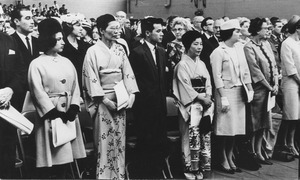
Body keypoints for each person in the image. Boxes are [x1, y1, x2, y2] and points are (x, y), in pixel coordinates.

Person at [27, 18, 86, 178]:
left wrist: (74, 107)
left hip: (69, 114)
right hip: (50, 117)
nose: (63, 42)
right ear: (49, 40)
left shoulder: (67, 61)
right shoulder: (37, 64)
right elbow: (37, 92)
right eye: (59, 39)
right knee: (53, 160)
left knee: (68, 161)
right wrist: (53, 113)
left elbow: (75, 87)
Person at [82, 14, 138, 179]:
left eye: (118, 27)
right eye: (112, 28)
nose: (117, 31)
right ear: (101, 30)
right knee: (105, 140)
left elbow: (128, 73)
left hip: (121, 99)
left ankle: (118, 175)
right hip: (102, 102)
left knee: (120, 140)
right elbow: (90, 79)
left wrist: (131, 95)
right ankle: (104, 176)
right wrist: (105, 100)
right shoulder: (92, 51)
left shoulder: (120, 49)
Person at [210, 19, 253, 174]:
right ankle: (222, 158)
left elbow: (246, 71)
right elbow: (217, 76)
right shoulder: (218, 51)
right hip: (226, 92)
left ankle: (230, 156)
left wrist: (249, 88)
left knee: (236, 128)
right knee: (225, 129)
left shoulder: (239, 49)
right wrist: (223, 96)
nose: (239, 33)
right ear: (229, 33)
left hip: (239, 92)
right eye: (236, 31)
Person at [129, 17, 169, 178]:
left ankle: (157, 171)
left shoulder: (161, 51)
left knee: (159, 141)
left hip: (159, 105)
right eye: (158, 31)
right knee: (146, 141)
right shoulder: (137, 52)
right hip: (145, 107)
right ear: (147, 33)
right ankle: (144, 173)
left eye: (162, 30)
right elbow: (136, 82)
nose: (161, 34)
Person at [173, 31, 214, 180]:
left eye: (201, 44)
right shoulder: (182, 65)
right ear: (187, 45)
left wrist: (208, 97)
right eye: (195, 44)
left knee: (203, 135)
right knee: (189, 137)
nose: (199, 47)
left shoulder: (202, 63)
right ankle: (190, 169)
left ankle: (202, 167)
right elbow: (185, 86)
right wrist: (201, 98)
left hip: (204, 104)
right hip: (191, 105)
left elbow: (208, 82)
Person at [244, 17, 278, 165]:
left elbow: (274, 66)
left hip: (270, 90)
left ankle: (259, 152)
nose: (268, 31)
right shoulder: (249, 47)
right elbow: (255, 71)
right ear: (257, 30)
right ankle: (252, 153)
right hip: (259, 90)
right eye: (265, 28)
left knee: (264, 123)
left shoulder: (266, 44)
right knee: (255, 123)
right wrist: (269, 86)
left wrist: (275, 83)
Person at [0, 31, 26, 179]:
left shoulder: (9, 40)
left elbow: (20, 71)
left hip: (6, 111)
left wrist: (10, 90)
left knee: (6, 159)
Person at [277, 15, 300, 158]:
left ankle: (292, 143)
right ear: (297, 28)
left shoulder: (298, 43)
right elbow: (290, 67)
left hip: (298, 82)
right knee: (291, 116)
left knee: (297, 117)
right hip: (291, 83)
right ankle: (287, 143)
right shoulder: (287, 43)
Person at [60, 13, 91, 97]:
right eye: (78, 25)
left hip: (84, 83)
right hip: (68, 84)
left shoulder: (84, 45)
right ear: (69, 26)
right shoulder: (62, 46)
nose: (81, 28)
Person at [166, 17, 192, 95]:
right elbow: (173, 65)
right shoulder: (171, 45)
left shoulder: (192, 43)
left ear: (186, 30)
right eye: (175, 30)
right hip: (178, 79)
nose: (177, 32)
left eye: (180, 29)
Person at [10, 6, 39, 70]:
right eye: (28, 18)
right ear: (17, 21)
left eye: (32, 18)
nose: (32, 22)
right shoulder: (9, 42)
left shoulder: (38, 41)